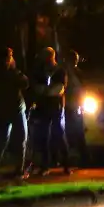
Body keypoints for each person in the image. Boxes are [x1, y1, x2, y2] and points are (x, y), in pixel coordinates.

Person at [0, 48, 29, 179]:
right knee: (21, 138)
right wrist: (18, 72)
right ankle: (19, 170)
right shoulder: (10, 72)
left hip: (4, 109)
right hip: (15, 109)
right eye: (10, 56)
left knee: (3, 139)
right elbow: (25, 83)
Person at [30, 47, 70, 176]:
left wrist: (46, 91)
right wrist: (47, 91)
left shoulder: (60, 71)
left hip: (56, 107)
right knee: (44, 137)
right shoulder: (40, 72)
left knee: (59, 134)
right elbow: (36, 88)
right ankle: (45, 165)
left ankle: (66, 164)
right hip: (44, 107)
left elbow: (59, 89)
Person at [64, 50, 88, 166]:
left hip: (76, 106)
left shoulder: (79, 73)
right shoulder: (64, 73)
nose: (74, 62)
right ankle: (70, 157)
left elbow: (83, 89)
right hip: (67, 106)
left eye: (75, 59)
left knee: (79, 132)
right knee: (69, 132)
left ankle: (83, 157)